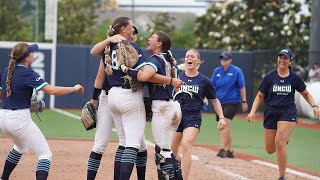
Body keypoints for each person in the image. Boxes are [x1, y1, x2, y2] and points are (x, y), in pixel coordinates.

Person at [0, 42, 84, 180]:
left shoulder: (6, 71)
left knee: (20, 147)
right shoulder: (28, 73)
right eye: (31, 52)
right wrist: (74, 88)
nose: (33, 53)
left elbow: (1, 95)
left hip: (3, 117)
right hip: (19, 119)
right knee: (45, 154)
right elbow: (52, 90)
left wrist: (19, 99)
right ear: (26, 58)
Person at [246, 49, 320, 180]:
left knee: (279, 142)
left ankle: (281, 177)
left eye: (285, 58)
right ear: (277, 60)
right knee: (270, 149)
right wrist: (252, 112)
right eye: (280, 57)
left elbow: (306, 94)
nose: (282, 60)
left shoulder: (294, 78)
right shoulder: (270, 77)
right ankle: (283, 140)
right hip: (271, 113)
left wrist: (314, 106)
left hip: (287, 112)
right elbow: (260, 95)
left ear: (290, 61)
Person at [86, 27, 148, 180]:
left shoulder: (127, 51)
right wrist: (94, 99)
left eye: (135, 34)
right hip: (111, 98)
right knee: (102, 144)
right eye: (131, 32)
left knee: (138, 144)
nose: (133, 36)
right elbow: (100, 77)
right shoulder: (110, 49)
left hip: (117, 98)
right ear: (122, 32)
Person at [120, 31, 184, 179]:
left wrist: (126, 69)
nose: (149, 39)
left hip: (162, 108)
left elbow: (143, 76)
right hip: (173, 107)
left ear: (159, 43)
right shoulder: (170, 59)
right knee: (167, 151)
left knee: (162, 153)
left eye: (152, 38)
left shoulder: (156, 59)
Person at [171, 49, 226, 179]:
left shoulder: (205, 81)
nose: (189, 58)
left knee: (186, 144)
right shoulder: (176, 77)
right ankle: (179, 164)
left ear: (198, 61)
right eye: (187, 56)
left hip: (193, 116)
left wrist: (222, 118)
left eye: (192, 56)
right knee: (172, 153)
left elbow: (215, 100)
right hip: (177, 116)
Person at [211, 51, 248, 158]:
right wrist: (205, 97)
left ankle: (222, 148)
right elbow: (211, 86)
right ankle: (230, 150)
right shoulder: (217, 71)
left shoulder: (236, 71)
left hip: (232, 101)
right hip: (219, 103)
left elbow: (242, 87)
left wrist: (244, 101)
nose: (223, 60)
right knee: (224, 127)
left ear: (230, 60)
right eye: (222, 58)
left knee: (225, 123)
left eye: (226, 58)